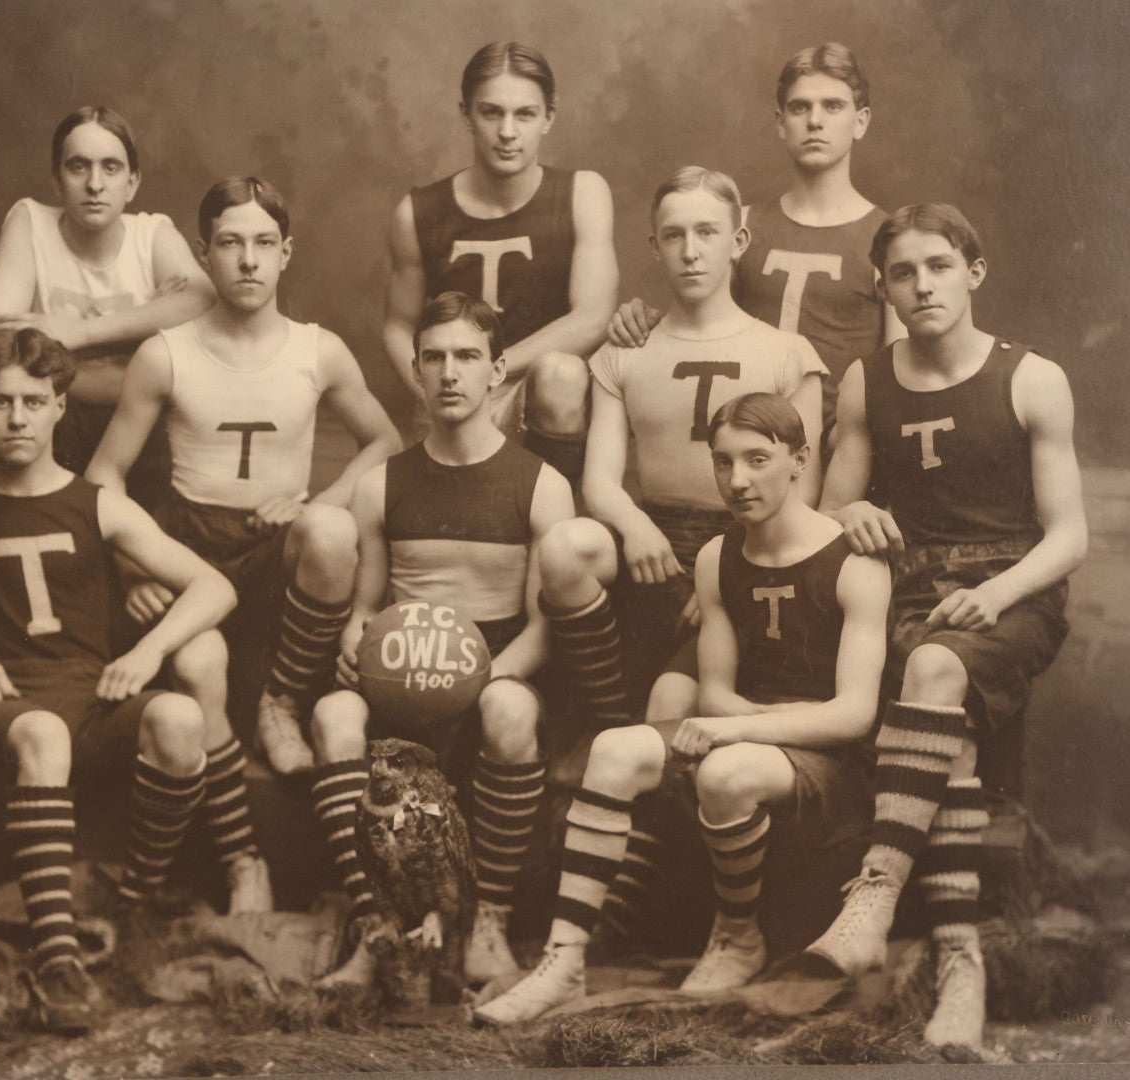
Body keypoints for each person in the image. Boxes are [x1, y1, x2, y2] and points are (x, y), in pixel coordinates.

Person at [0, 329, 271, 1036]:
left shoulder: (96, 503)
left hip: (92, 702)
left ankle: (129, 897)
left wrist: (149, 653)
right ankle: (58, 961)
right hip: (4, 716)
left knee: (177, 718)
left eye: (32, 402)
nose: (16, 418)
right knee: (43, 732)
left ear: (58, 408)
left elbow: (212, 587)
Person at [473, 392, 890, 1024]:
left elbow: (854, 715)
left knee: (728, 772)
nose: (738, 480)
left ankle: (735, 935)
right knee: (615, 749)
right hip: (754, 730)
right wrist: (739, 723)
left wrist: (740, 729)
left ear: (801, 460)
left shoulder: (852, 561)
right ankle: (563, 963)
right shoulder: (719, 558)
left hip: (832, 763)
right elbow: (715, 688)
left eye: (758, 459)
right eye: (724, 462)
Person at [801, 204, 1086, 1050]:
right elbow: (827, 505)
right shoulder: (865, 380)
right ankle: (959, 965)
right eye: (901, 272)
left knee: (933, 673)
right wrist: (852, 511)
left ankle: (876, 893)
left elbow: (1069, 535)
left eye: (937, 265)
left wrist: (997, 594)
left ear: (974, 270)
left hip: (1011, 592)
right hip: (912, 589)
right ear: (882, 286)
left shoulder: (1032, 377)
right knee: (942, 723)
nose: (920, 285)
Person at [87, 176, 402, 775]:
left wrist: (316, 505)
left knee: (332, 533)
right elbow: (105, 472)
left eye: (264, 243)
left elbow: (386, 441)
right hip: (188, 548)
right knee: (194, 673)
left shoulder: (318, 350)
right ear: (204, 254)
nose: (249, 260)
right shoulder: (166, 353)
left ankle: (278, 705)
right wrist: (133, 569)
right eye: (229, 243)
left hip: (273, 553)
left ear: (286, 252)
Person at [307, 292, 574, 988]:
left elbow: (542, 628)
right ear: (417, 372)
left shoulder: (541, 485)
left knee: (511, 712)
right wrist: (353, 640)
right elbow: (363, 607)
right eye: (434, 358)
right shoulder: (379, 483)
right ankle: (376, 929)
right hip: (400, 681)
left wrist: (475, 682)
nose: (449, 373)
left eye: (466, 356)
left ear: (498, 370)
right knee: (333, 713)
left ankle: (487, 921)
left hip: (493, 676)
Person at [538, 166, 824, 739]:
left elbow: (802, 491)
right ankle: (609, 725)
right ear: (655, 245)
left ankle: (638, 750)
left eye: (707, 233)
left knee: (675, 700)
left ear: (738, 242)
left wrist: (729, 565)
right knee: (569, 546)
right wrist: (636, 525)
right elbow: (600, 482)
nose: (690, 252)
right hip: (655, 544)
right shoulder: (626, 353)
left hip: (747, 546)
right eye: (674, 236)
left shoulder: (786, 354)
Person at [607, 43, 902, 449]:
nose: (815, 121)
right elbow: (696, 321)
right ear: (781, 123)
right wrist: (641, 318)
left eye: (832, 107)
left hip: (834, 444)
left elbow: (899, 370)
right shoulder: (739, 223)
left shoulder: (888, 239)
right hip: (739, 437)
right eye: (800, 108)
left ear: (861, 121)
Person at [383, 41, 618, 493]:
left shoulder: (582, 194)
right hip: (450, 385)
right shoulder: (417, 211)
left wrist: (491, 373)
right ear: (466, 114)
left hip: (531, 389)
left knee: (563, 373)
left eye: (525, 114)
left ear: (549, 117)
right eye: (492, 113)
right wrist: (439, 390)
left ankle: (558, 524)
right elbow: (397, 326)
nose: (507, 131)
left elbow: (593, 317)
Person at [0, 105, 216, 509]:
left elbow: (203, 301)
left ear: (132, 183)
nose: (94, 184)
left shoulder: (151, 234)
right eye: (78, 167)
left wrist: (72, 334)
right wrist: (143, 332)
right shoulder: (29, 222)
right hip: (56, 426)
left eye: (110, 167)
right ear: (57, 180)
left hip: (144, 433)